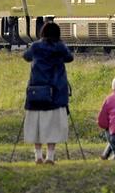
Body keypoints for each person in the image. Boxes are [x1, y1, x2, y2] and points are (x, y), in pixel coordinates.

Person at [23, 22, 73, 164]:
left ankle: (38, 155)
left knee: (36, 125)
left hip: (36, 92)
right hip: (56, 93)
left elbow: (26, 56)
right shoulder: (60, 47)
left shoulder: (36, 46)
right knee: (54, 126)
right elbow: (69, 58)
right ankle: (50, 157)